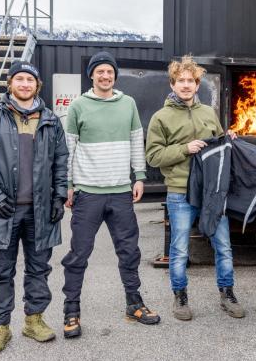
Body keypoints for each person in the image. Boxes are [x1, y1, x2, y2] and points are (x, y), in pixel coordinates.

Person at [0, 61, 68, 352]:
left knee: (39, 269)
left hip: (40, 210)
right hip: (1, 210)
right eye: (20, 79)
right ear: (10, 83)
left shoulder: (50, 119)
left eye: (30, 80)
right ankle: (0, 328)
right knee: (1, 271)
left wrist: (59, 196)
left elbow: (61, 161)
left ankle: (33, 320)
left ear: (38, 86)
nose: (25, 84)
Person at [61, 51, 160, 338]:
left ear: (115, 75)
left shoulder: (127, 103)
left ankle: (134, 303)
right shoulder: (78, 105)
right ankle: (71, 311)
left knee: (129, 252)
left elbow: (135, 141)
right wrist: (67, 184)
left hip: (120, 192)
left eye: (109, 71)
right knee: (78, 255)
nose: (105, 76)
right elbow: (69, 148)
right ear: (91, 75)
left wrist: (139, 176)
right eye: (100, 71)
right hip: (87, 193)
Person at [146, 55, 245, 321]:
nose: (186, 85)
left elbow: (220, 145)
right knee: (179, 249)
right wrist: (184, 149)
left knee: (223, 244)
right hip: (179, 191)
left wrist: (228, 138)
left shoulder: (208, 112)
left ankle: (227, 293)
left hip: (211, 190)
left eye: (191, 80)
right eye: (181, 80)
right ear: (173, 83)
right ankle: (180, 297)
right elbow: (153, 156)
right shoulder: (161, 118)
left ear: (198, 84)